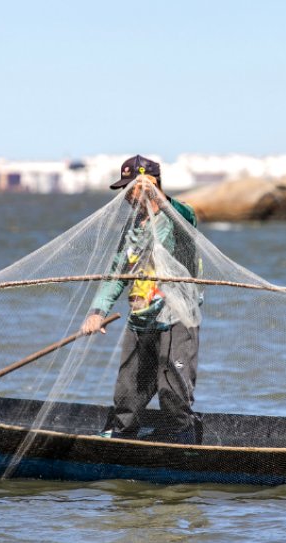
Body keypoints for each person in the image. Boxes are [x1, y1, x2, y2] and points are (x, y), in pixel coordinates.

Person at [81, 155, 201, 444]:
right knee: (129, 384)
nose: (124, 196)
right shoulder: (133, 227)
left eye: (129, 188)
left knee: (172, 384)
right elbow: (116, 273)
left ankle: (182, 434)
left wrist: (161, 198)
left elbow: (189, 217)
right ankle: (123, 432)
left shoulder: (175, 219)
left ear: (150, 185)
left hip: (176, 316)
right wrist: (97, 311)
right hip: (141, 315)